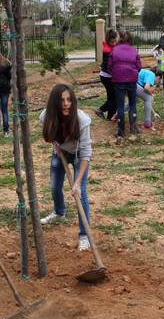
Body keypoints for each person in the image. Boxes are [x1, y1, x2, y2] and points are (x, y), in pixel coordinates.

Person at [39, 84, 93, 251]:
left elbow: (85, 154)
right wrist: (56, 143)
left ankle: (85, 235)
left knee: (80, 193)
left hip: (78, 157)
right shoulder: (46, 116)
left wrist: (76, 183)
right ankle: (59, 212)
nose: (66, 103)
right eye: (62, 100)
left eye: (69, 99)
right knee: (54, 186)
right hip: (60, 152)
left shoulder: (82, 120)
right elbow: (49, 133)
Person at [108, 30, 142, 137]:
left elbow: (109, 66)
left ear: (119, 39)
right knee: (132, 103)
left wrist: (115, 74)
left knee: (120, 105)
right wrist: (133, 73)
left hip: (118, 81)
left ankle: (121, 130)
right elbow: (139, 66)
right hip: (131, 80)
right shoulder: (134, 50)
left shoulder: (114, 50)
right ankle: (133, 128)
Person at [95, 29, 119, 121]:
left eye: (115, 41)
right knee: (113, 98)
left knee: (112, 97)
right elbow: (108, 67)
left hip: (108, 76)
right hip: (106, 77)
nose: (114, 43)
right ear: (108, 40)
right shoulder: (107, 51)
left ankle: (108, 115)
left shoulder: (112, 46)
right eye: (112, 42)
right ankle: (102, 111)